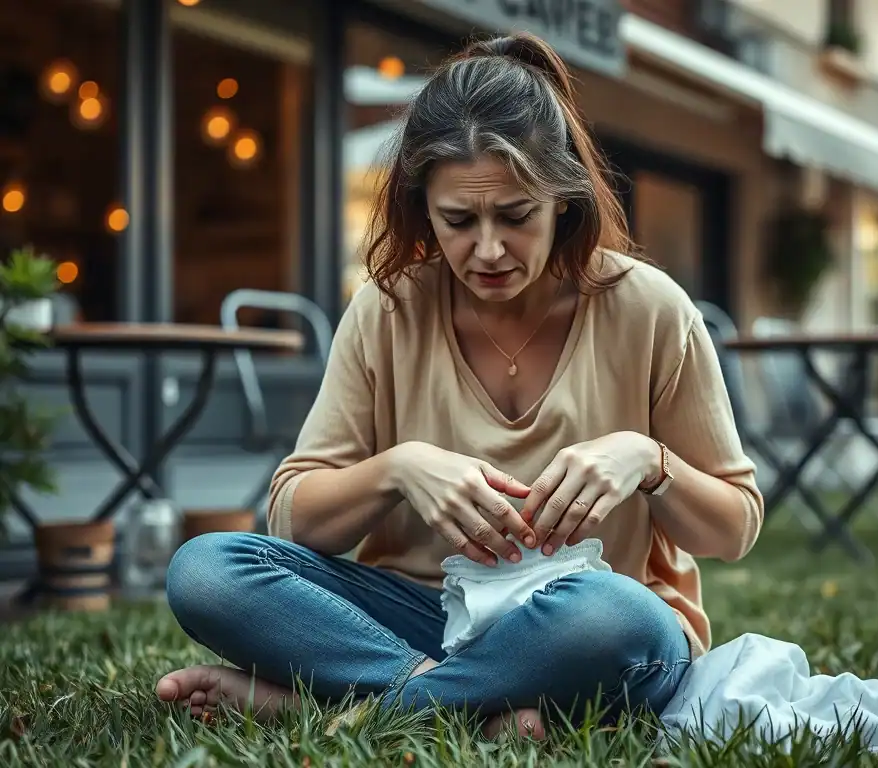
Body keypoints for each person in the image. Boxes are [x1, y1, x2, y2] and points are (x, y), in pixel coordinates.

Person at [156, 32, 764, 739]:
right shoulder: (387, 310)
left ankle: (352, 707)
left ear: (562, 201)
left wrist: (646, 461)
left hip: (584, 624)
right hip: (420, 617)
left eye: (515, 215)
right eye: (458, 220)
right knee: (204, 569)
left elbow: (734, 526)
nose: (488, 249)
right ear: (423, 207)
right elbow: (294, 518)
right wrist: (398, 470)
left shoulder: (651, 310)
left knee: (621, 619)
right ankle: (475, 708)